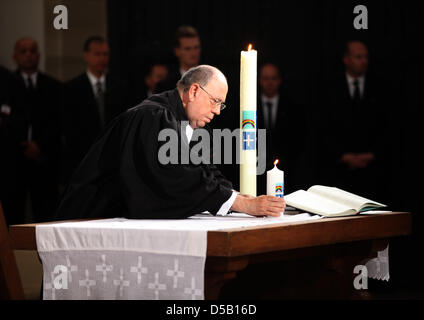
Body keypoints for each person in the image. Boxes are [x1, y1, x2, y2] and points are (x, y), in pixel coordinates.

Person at [55, 65, 285, 220]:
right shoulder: (153, 116)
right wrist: (240, 204)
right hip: (88, 217)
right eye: (215, 101)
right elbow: (176, 175)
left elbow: (202, 170)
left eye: (221, 105)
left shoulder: (181, 120)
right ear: (194, 90)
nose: (217, 111)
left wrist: (236, 195)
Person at [1, 38, 62, 224]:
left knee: (46, 215)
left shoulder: (53, 86)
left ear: (39, 55)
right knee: (13, 213)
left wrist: (40, 146)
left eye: (32, 51)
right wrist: (21, 145)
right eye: (23, 51)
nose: (28, 55)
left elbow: (58, 123)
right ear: (15, 56)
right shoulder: (5, 84)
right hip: (12, 160)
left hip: (44, 159)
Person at [320, 40, 390, 202]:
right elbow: (324, 127)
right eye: (358, 57)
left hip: (374, 171)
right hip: (338, 171)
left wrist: (372, 154)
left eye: (366, 57)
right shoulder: (330, 89)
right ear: (346, 59)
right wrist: (343, 156)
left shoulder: (380, 88)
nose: (364, 61)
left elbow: (386, 126)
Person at [62, 36, 129, 183]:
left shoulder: (120, 87)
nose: (102, 59)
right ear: (86, 56)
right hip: (83, 158)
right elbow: (69, 128)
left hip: (113, 158)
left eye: (105, 54)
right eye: (97, 54)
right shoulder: (72, 88)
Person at [256, 63, 307, 195]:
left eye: (273, 78)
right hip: (256, 171)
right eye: (266, 78)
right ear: (259, 80)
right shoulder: (249, 106)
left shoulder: (292, 107)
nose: (270, 83)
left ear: (279, 80)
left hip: (287, 172)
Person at [155, 25, 201, 93]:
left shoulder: (212, 79)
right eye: (187, 49)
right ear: (177, 51)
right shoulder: (166, 86)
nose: (193, 53)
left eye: (196, 47)